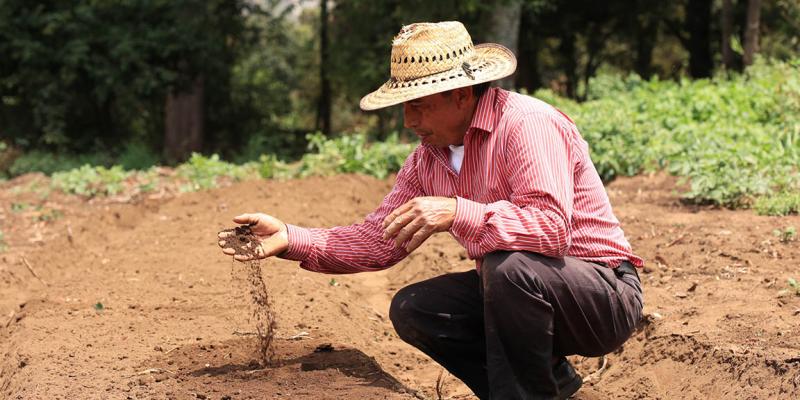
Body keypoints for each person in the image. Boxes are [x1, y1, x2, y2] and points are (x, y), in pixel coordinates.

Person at [219, 21, 643, 400]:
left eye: (418, 105)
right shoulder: (428, 160)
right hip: (524, 295)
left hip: (602, 294)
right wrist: (291, 238)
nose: (408, 120)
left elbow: (551, 231)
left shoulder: (526, 124)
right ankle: (546, 386)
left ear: (460, 95)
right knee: (416, 308)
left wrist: (459, 211)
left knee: (507, 266)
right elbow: (376, 240)